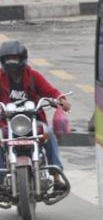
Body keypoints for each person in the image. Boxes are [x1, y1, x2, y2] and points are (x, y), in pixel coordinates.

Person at [0, 41, 70, 172]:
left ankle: (56, 173)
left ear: (22, 59)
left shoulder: (33, 76)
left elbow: (51, 92)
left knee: (49, 134)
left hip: (34, 122)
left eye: (14, 59)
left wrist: (61, 100)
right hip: (6, 123)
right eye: (8, 59)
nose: (12, 63)